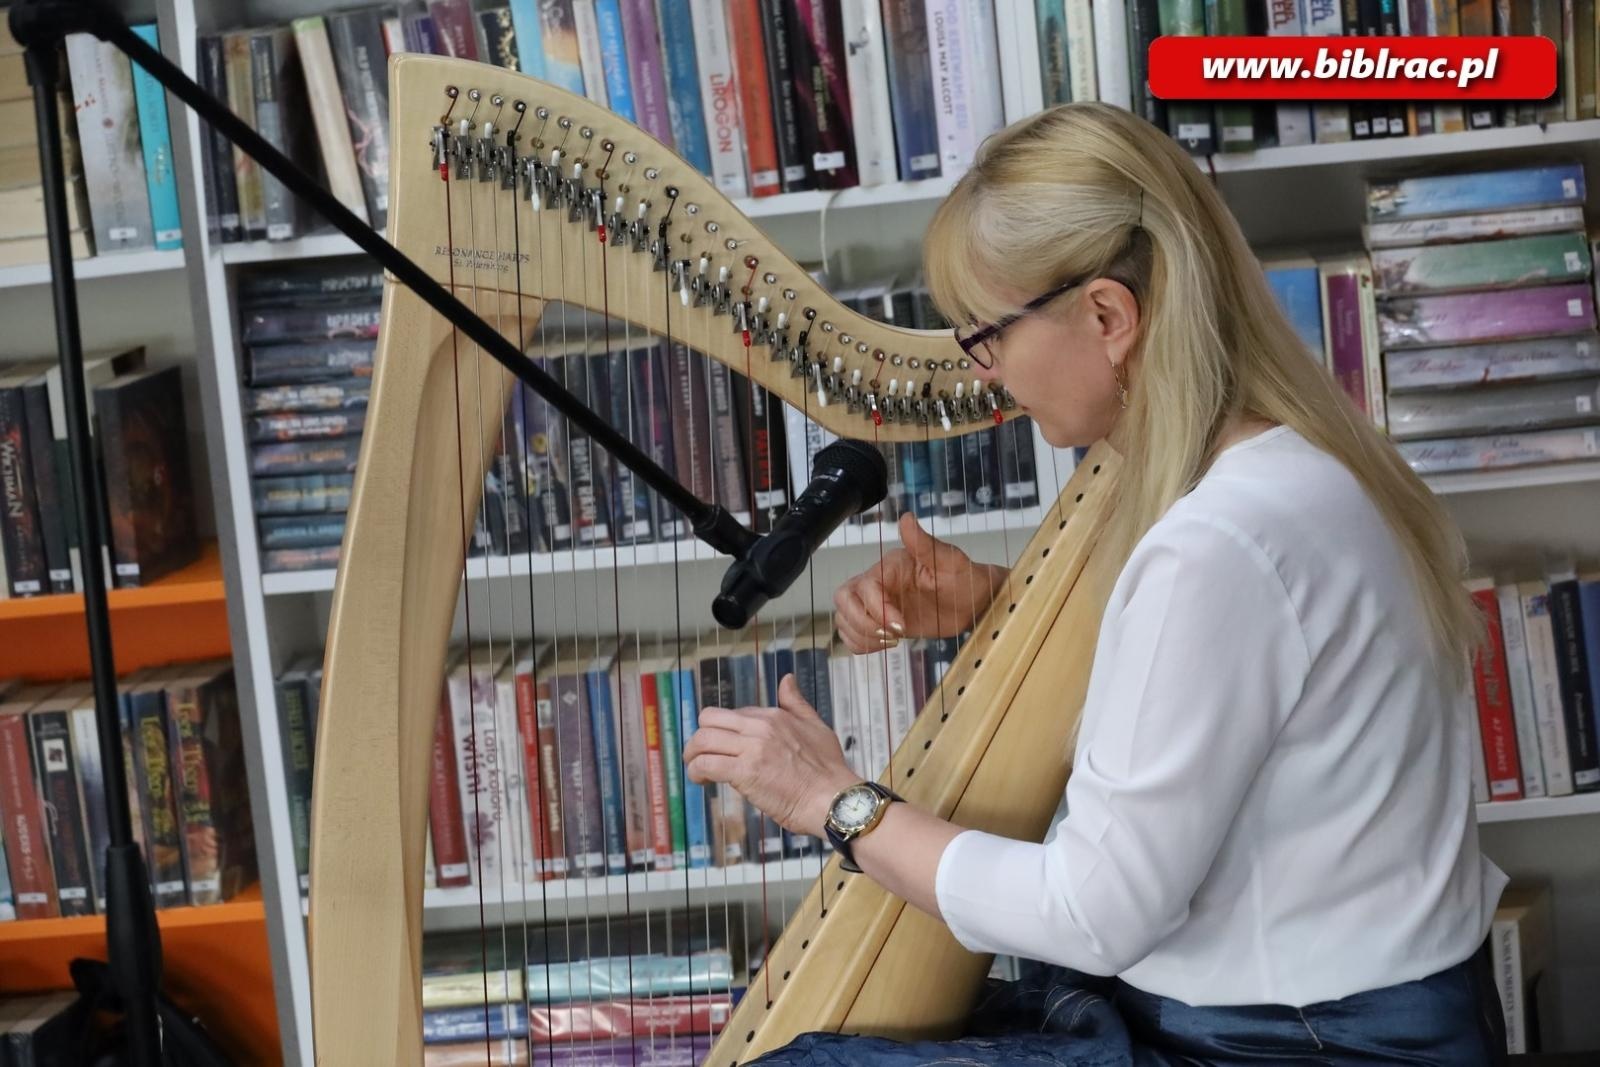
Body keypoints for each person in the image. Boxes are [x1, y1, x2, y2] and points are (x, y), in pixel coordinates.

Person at [681, 102, 1511, 1065]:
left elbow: (1092, 911)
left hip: (1295, 1044)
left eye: (984, 335)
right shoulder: (1299, 461)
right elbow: (1254, 687)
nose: (984, 373)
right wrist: (996, 601)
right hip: (1372, 1013)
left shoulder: (1217, 542)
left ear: (1109, 316)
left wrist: (835, 800)